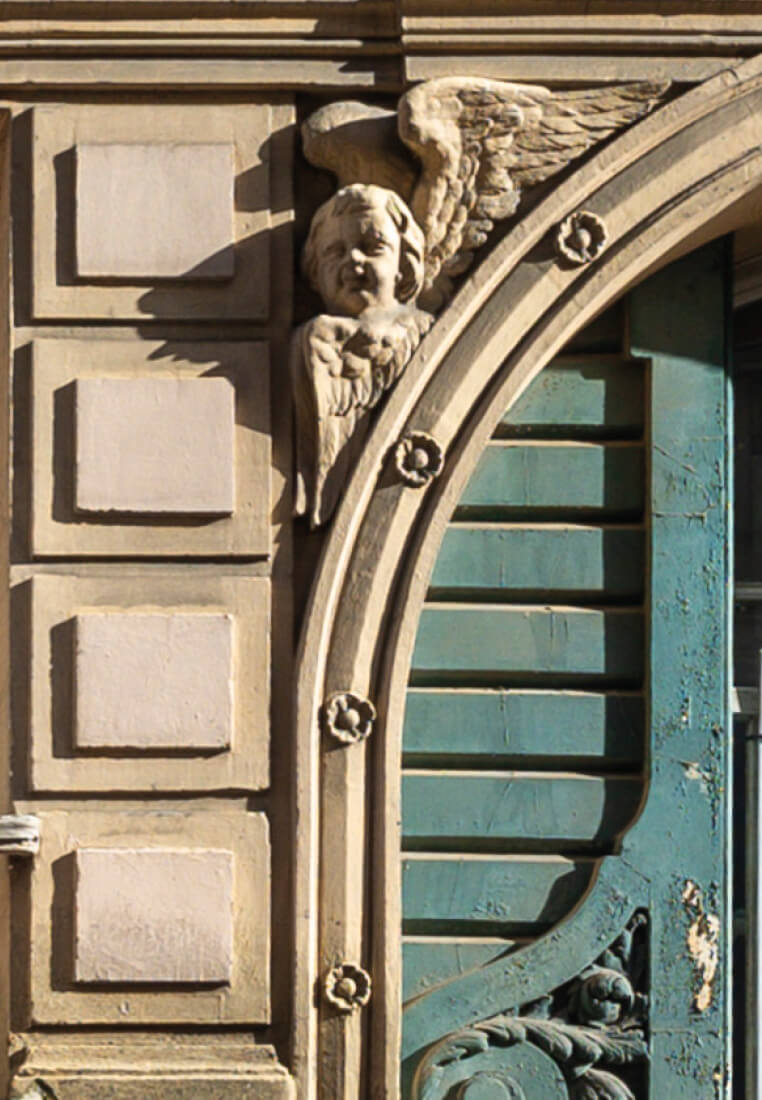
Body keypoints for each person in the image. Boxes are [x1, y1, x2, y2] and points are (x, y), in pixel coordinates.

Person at [292, 184, 433, 527]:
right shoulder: (314, 339)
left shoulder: (426, 331)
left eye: (373, 247)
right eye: (335, 251)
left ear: (404, 262)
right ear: (314, 272)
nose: (353, 259)